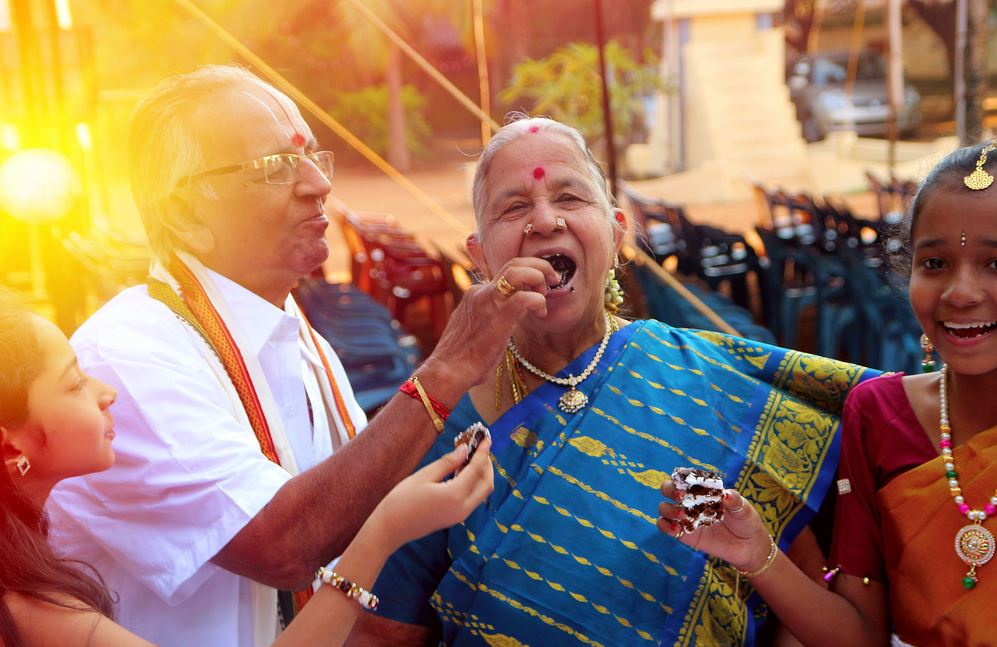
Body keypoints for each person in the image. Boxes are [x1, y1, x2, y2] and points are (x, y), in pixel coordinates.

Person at [46, 65, 555, 646]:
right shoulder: (128, 356)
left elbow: (356, 510)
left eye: (313, 156)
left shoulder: (294, 332)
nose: (318, 184)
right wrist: (446, 371)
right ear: (184, 213)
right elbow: (284, 546)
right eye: (276, 167)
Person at [347, 115, 875, 646]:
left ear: (618, 231)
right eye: (513, 207)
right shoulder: (440, 428)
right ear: (480, 256)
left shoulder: (707, 381)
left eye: (571, 198)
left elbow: (802, 601)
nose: (545, 220)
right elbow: (383, 634)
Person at [0, 289, 494, 647]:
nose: (105, 392)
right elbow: (283, 544)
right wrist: (383, 531)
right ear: (9, 447)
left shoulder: (28, 565)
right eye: (72, 384)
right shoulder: (24, 605)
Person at [657, 141, 997, 646]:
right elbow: (860, 634)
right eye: (935, 263)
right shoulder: (880, 412)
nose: (961, 292)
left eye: (994, 263)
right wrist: (758, 555)